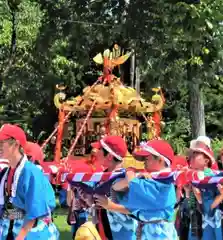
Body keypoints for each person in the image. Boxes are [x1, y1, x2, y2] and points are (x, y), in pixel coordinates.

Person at [95, 139, 178, 240]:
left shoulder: (164, 185)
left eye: (147, 159)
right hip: (146, 233)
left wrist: (130, 173)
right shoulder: (151, 180)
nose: (143, 163)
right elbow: (115, 187)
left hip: (160, 235)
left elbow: (133, 191)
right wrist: (132, 177)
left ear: (160, 160)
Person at [0, 124, 59, 240]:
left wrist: (20, 237)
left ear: (16, 144)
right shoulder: (6, 172)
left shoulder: (31, 172)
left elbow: (34, 212)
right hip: (12, 231)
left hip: (32, 234)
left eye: (1, 143)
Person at [92, 136, 137, 240]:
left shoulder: (125, 178)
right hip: (104, 232)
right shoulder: (101, 177)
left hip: (124, 235)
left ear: (109, 156)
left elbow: (135, 209)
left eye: (99, 149)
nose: (95, 152)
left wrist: (109, 206)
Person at [187, 140, 222, 240]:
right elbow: (194, 201)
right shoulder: (191, 174)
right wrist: (188, 192)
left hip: (211, 218)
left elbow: (210, 200)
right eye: (191, 155)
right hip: (197, 218)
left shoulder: (213, 177)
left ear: (206, 161)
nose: (191, 158)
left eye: (195, 155)